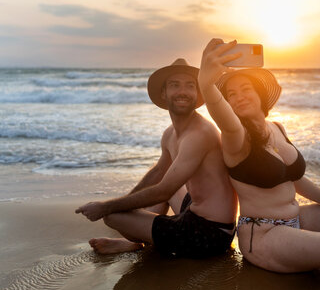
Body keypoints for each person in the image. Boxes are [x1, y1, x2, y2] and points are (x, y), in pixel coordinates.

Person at [197, 39, 320, 281]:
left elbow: (295, 179)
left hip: (295, 221)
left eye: (246, 89)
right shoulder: (236, 138)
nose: (239, 97)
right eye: (231, 95)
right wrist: (206, 82)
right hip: (264, 235)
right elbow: (216, 107)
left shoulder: (276, 127)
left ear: (259, 93)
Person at [76, 59, 237, 258]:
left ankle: (135, 242)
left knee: (112, 216)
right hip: (193, 212)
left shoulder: (200, 133)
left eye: (190, 86)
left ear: (197, 95)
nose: (182, 91)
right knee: (165, 185)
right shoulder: (170, 134)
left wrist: (105, 206)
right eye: (174, 85)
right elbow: (159, 172)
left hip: (211, 234)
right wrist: (127, 200)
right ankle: (138, 238)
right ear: (164, 93)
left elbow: (163, 191)